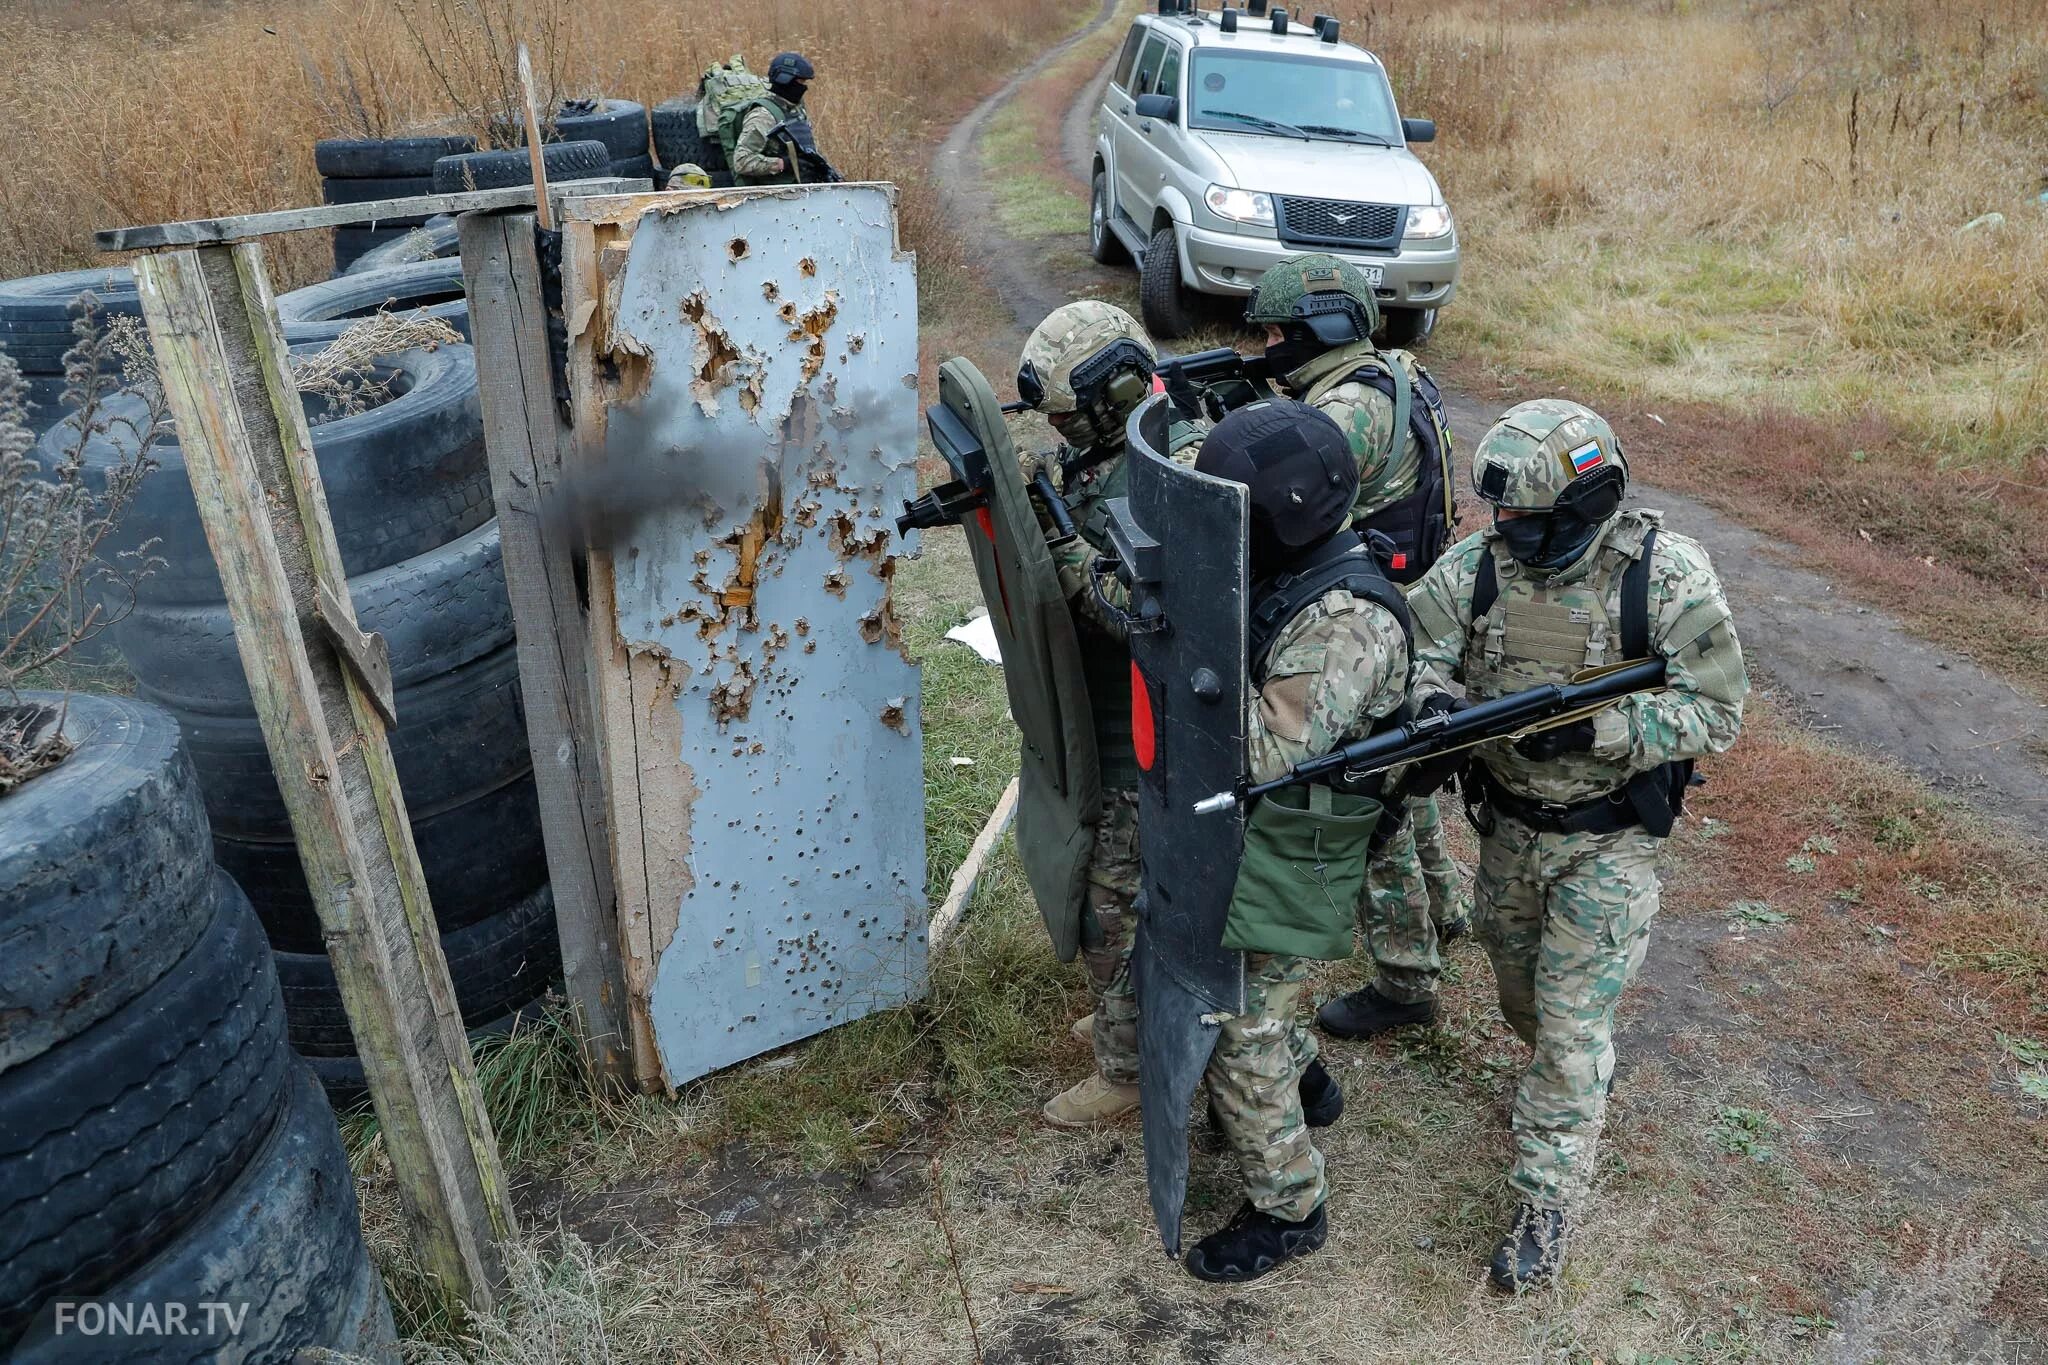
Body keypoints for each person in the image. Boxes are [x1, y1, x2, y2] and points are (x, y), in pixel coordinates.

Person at [1404, 398, 1747, 1291]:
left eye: (1526, 517)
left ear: (1585, 505)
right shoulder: (1480, 566)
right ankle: (1566, 1089)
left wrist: (1601, 731)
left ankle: (1547, 1199)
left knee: (1567, 1025)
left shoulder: (1662, 578)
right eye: (1502, 515)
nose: (1505, 531)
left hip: (1608, 838)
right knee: (1518, 991)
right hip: (1510, 828)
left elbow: (1718, 709)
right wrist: (1433, 700)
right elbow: (1416, 644)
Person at [1178, 398, 1410, 1282]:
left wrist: (1199, 634)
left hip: (1307, 830)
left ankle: (1289, 1204)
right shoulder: (1290, 573)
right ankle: (1310, 1087)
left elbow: (1270, 751)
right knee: (1243, 986)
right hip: (1271, 816)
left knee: (1241, 1016)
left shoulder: (1346, 620)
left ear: (1279, 519)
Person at [1241, 253, 1471, 1039]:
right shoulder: (1392, 370)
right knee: (1406, 790)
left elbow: (1276, 482)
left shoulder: (1346, 411)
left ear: (1319, 331)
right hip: (1406, 605)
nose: (1267, 346)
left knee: (1373, 809)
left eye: (1277, 333)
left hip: (1364, 624)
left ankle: (1409, 975)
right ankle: (1444, 912)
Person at [1011, 301, 1159, 1127]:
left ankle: (1129, 1064)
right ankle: (1125, 1013)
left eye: (1072, 418)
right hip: (1112, 717)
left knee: (1110, 901)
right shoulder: (1124, 451)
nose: (1066, 434)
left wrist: (1063, 548)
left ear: (1117, 391)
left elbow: (1142, 614)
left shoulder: (1167, 469)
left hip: (1146, 731)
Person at [730, 51, 819, 186]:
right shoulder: (763, 115)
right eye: (800, 82)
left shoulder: (796, 110)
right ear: (785, 81)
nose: (803, 87)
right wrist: (782, 164)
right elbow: (742, 161)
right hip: (777, 195)